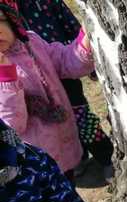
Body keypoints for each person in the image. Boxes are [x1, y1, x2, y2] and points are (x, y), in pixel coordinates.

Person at [16, 0, 115, 181]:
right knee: (51, 125)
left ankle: (106, 155)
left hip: (63, 68)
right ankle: (78, 159)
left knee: (81, 118)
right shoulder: (8, 13)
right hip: (30, 85)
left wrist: (88, 51)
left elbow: (71, 24)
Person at [0, 0, 94, 181]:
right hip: (37, 166)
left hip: (64, 149)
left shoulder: (32, 42)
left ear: (11, 19)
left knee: (70, 184)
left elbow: (65, 61)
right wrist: (6, 79)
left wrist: (85, 42)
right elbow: (12, 126)